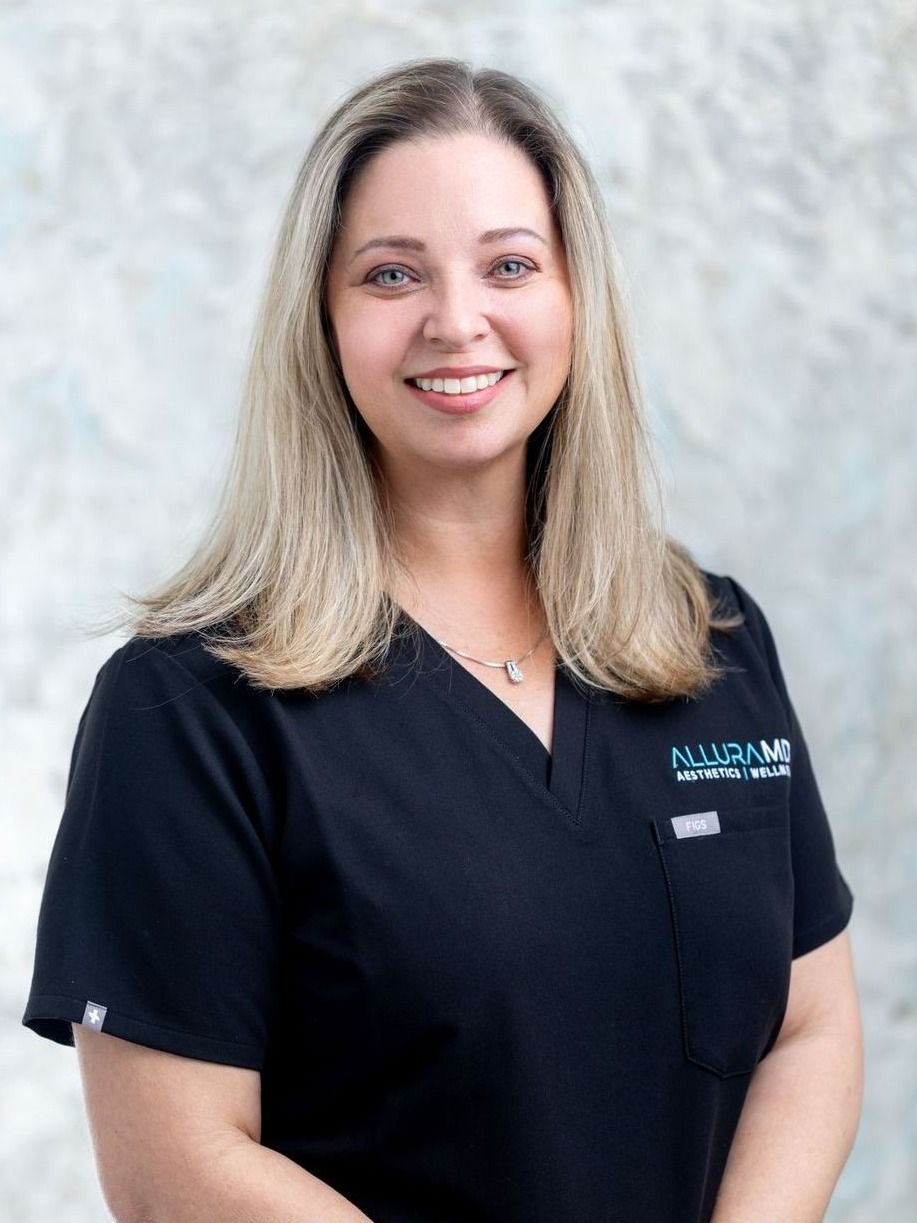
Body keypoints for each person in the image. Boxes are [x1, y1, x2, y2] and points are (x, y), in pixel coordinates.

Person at [22, 56, 862, 1223]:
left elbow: (808, 1024)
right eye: (389, 273)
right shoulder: (188, 709)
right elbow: (177, 1172)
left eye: (509, 264)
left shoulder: (707, 638)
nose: (455, 320)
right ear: (321, 319)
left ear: (575, 298)